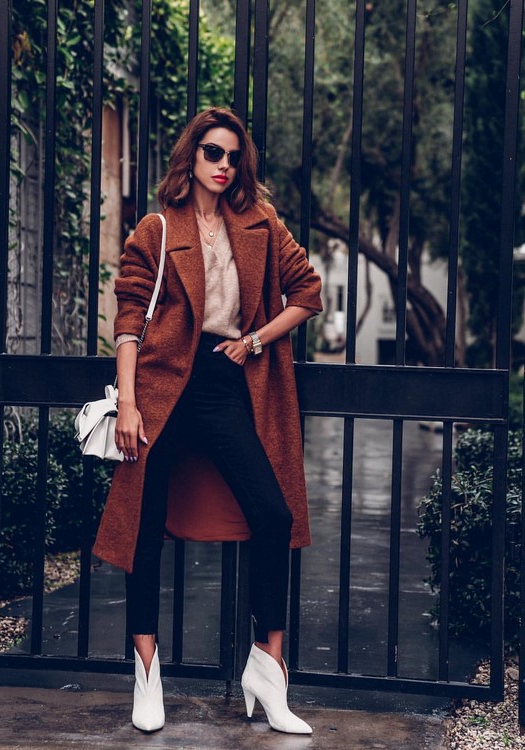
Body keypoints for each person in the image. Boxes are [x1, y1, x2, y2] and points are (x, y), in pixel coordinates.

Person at [92, 107, 322, 734]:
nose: (223, 165)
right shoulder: (158, 228)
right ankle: (147, 676)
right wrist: (129, 402)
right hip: (162, 388)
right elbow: (129, 320)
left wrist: (253, 341)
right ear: (191, 157)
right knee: (145, 529)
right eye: (212, 153)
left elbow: (308, 293)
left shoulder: (261, 224)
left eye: (233, 157)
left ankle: (267, 670)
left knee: (273, 515)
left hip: (225, 385)